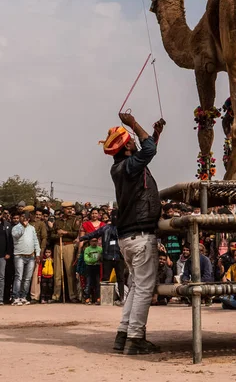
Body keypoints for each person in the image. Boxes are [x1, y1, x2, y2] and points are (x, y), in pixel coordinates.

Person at [102, 112, 165, 355]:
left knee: (136, 286)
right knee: (143, 288)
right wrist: (134, 124)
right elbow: (148, 151)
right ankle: (136, 337)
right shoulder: (127, 166)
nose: (133, 142)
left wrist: (154, 135)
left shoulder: (122, 167)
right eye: (130, 140)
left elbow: (147, 149)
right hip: (140, 236)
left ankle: (123, 334)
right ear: (125, 148)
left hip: (129, 237)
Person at [78, 209, 125, 304]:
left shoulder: (123, 229)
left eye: (117, 216)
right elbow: (93, 234)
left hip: (120, 256)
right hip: (107, 256)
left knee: (120, 278)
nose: (115, 218)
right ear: (111, 217)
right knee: (105, 278)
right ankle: (104, 299)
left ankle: (122, 299)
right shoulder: (105, 228)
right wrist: (82, 238)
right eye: (114, 216)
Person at [50, 201, 80, 303]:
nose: (70, 210)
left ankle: (72, 296)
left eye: (71, 208)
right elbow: (52, 236)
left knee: (70, 271)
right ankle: (56, 296)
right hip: (58, 246)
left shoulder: (75, 219)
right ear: (63, 209)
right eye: (67, 209)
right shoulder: (57, 221)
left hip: (69, 246)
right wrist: (58, 235)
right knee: (57, 272)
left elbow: (75, 234)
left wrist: (65, 232)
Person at [11, 212, 41, 305]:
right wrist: (23, 227)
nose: (25, 219)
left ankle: (23, 296)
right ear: (20, 218)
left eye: (26, 217)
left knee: (27, 278)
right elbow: (16, 236)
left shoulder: (32, 228)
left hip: (31, 256)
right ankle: (15, 297)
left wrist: (38, 253)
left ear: (29, 219)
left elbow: (35, 241)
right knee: (19, 277)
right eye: (23, 217)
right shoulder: (15, 228)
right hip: (19, 256)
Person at [29, 206, 48, 304]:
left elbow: (44, 238)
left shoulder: (41, 224)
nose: (37, 216)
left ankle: (35, 296)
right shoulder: (27, 223)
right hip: (26, 251)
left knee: (36, 274)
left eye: (39, 215)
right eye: (36, 214)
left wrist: (41, 251)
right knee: (26, 274)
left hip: (37, 251)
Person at [83, 238, 103, 304]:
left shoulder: (100, 249)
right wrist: (94, 260)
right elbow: (86, 259)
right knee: (88, 283)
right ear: (90, 242)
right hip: (89, 267)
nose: (94, 242)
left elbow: (102, 257)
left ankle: (97, 298)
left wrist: (100, 259)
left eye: (95, 241)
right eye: (92, 241)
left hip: (97, 267)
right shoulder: (87, 249)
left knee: (97, 283)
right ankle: (87, 298)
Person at [0, 211, 13, 305]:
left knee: (1, 277)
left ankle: (0, 298)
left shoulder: (7, 225)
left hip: (2, 256)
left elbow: (10, 240)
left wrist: (8, 252)